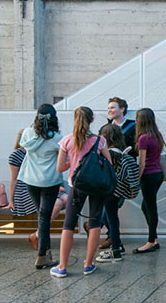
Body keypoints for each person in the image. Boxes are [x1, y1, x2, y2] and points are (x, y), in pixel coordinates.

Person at [51, 106, 111, 278]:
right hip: (97, 186)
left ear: (75, 120)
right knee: (95, 222)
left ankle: (62, 267)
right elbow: (108, 163)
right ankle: (88, 264)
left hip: (77, 185)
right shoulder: (100, 140)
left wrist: (75, 164)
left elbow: (60, 167)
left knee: (69, 223)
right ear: (92, 120)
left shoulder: (67, 141)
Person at [19, 104, 67, 270]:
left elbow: (24, 147)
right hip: (50, 181)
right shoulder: (57, 139)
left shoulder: (27, 133)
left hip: (31, 180)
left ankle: (44, 254)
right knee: (44, 217)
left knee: (42, 215)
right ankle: (42, 255)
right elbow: (62, 159)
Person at [96, 96, 135, 251]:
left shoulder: (132, 126)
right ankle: (112, 239)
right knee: (112, 211)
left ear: (122, 109)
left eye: (113, 107)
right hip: (112, 178)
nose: (110, 111)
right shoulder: (105, 127)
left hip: (120, 175)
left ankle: (114, 242)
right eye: (108, 108)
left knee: (112, 210)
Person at [133, 107, 165, 254]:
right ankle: (155, 238)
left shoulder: (143, 138)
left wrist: (136, 180)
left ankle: (151, 241)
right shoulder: (157, 135)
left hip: (149, 176)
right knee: (145, 207)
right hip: (158, 174)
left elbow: (142, 163)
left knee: (150, 207)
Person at [95, 121, 126, 263]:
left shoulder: (110, 153)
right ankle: (117, 244)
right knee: (111, 218)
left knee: (112, 219)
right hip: (118, 191)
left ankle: (116, 250)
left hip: (109, 191)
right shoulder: (121, 152)